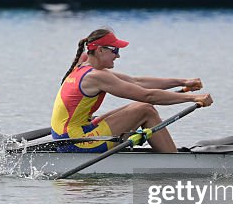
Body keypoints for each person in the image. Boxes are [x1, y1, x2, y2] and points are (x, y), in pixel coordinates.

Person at [50, 28, 212, 154]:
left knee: (140, 106)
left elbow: (137, 81)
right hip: (76, 142)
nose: (118, 56)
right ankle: (175, 162)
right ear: (100, 50)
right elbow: (147, 95)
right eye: (115, 50)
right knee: (145, 109)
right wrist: (193, 98)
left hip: (67, 137)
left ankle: (168, 153)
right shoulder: (96, 77)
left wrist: (183, 82)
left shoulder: (82, 67)